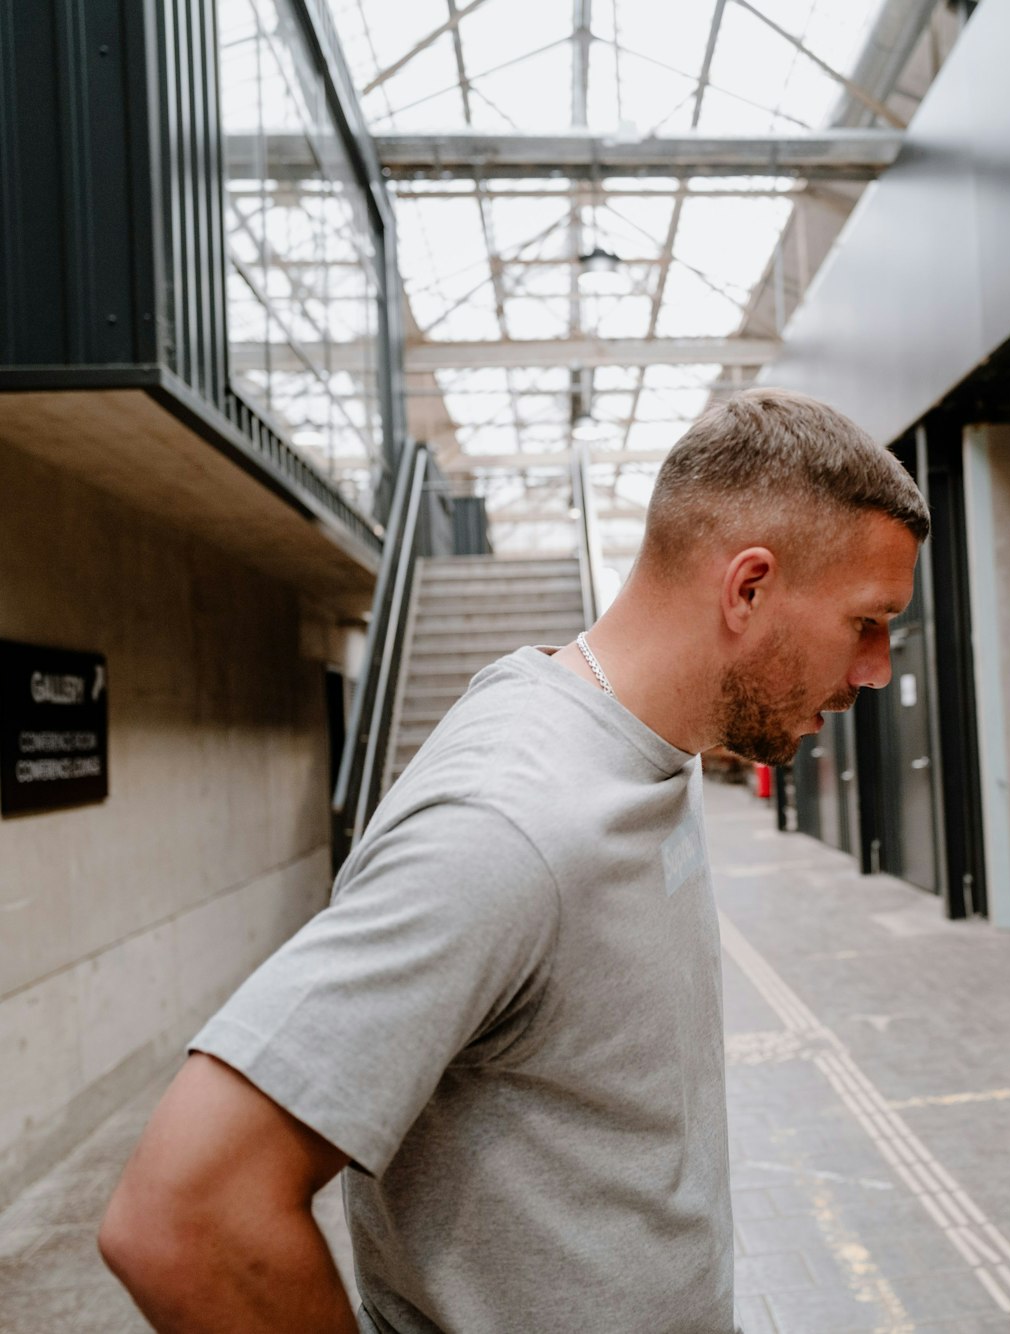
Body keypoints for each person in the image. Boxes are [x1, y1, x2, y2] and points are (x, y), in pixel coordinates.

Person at [98, 388, 929, 1334]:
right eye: (866, 622)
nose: (876, 669)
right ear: (748, 590)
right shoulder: (507, 825)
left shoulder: (657, 739)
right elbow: (185, 1217)